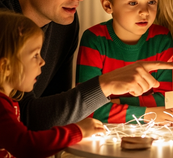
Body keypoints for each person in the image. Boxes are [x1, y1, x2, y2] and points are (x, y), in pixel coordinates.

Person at [0, 0, 173, 131]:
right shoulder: (4, 25)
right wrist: (105, 85)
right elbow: (25, 117)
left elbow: (62, 107)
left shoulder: (64, 22)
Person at [77, 0, 173, 124]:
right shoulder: (94, 40)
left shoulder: (162, 39)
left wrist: (115, 103)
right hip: (105, 135)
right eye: (133, 3)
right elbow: (87, 107)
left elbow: (169, 100)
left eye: (151, 2)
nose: (145, 11)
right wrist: (149, 113)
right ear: (108, 5)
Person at [0, 10, 105, 158]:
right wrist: (77, 131)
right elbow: (26, 145)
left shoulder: (10, 101)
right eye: (35, 55)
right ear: (6, 67)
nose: (43, 62)